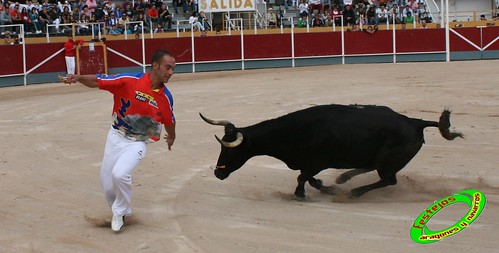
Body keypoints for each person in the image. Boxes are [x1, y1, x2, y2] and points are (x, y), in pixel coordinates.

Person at [63, 49, 177, 232]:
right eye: (168, 68)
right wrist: (78, 77)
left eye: (173, 69)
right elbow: (97, 80)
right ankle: (124, 212)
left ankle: (118, 213)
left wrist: (171, 137)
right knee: (106, 182)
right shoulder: (129, 81)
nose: (171, 73)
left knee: (120, 174)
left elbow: (170, 121)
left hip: (138, 141)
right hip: (116, 136)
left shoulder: (166, 97)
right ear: (155, 66)